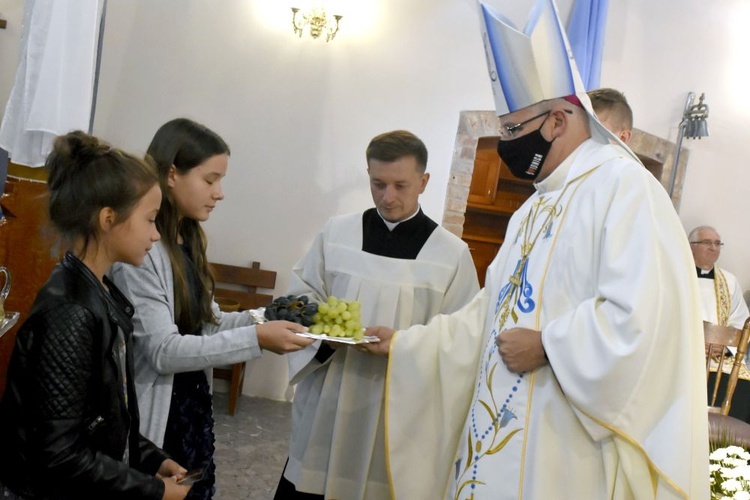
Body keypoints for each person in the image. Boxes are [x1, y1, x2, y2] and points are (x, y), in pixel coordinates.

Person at [364, 2, 708, 498]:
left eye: (512, 129)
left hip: (565, 451)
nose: (507, 143)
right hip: (497, 446)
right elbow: (488, 316)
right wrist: (406, 344)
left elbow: (645, 320)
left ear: (559, 119)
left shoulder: (626, 188)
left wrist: (550, 345)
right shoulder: (534, 206)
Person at [110, 118, 314, 500]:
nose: (219, 193)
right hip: (156, 416)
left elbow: (209, 324)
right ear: (172, 173)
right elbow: (162, 350)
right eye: (210, 179)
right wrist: (257, 338)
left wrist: (268, 318)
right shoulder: (142, 249)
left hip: (189, 407)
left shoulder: (187, 239)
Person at [275, 130, 479, 499]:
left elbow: (463, 336)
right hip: (330, 392)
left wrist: (400, 346)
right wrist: (325, 331)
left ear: (424, 181)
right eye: (378, 183)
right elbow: (299, 297)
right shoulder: (337, 233)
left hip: (396, 407)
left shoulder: (451, 255)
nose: (388, 197)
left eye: (401, 185)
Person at [0, 131, 191, 499]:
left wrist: (150, 457)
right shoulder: (71, 312)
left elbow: (100, 417)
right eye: (151, 220)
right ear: (108, 218)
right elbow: (60, 453)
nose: (156, 235)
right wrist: (153, 489)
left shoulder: (100, 291)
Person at [689, 225, 749, 329]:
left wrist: (724, 344)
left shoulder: (730, 281)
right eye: (706, 242)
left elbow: (741, 320)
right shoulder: (678, 277)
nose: (713, 248)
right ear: (691, 246)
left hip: (719, 344)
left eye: (717, 243)